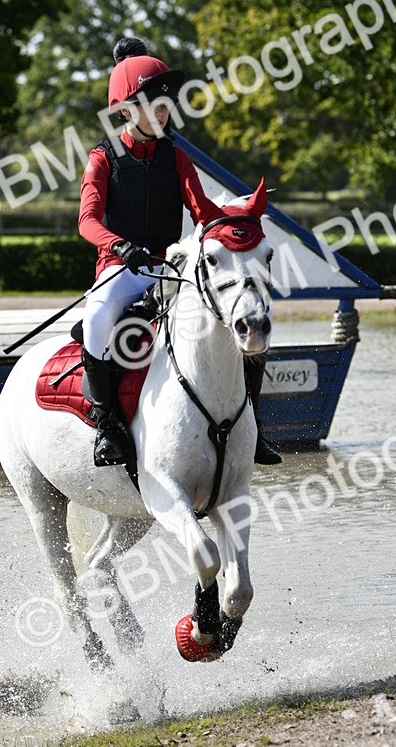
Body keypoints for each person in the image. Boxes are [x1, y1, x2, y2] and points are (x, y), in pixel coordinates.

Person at [78, 36, 282, 468]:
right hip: (120, 267)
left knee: (235, 317)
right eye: (153, 106)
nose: (162, 113)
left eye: (165, 106)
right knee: (97, 320)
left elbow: (202, 210)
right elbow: (87, 221)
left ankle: (253, 427)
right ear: (126, 110)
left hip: (167, 269)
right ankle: (107, 424)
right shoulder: (102, 159)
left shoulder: (177, 157)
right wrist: (118, 245)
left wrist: (236, 219)